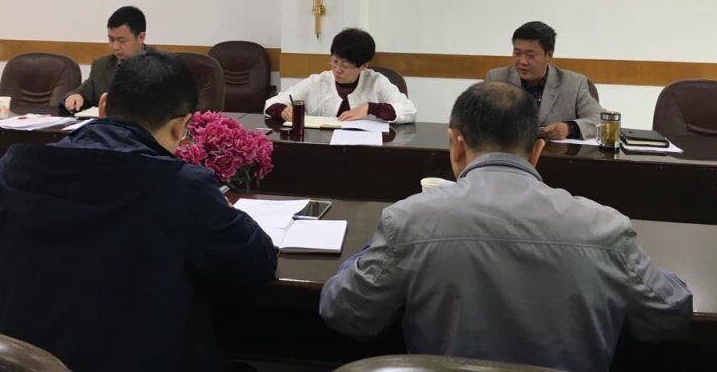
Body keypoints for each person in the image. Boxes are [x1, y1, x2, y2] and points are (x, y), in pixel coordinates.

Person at [319, 82, 692, 372]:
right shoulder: (606, 227)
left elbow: (345, 311)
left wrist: (374, 247)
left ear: (455, 144)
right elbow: (669, 314)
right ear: (537, 151)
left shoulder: (408, 220)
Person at [0, 50, 277, 372]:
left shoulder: (7, 170)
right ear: (181, 127)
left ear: (102, 106)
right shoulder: (181, 188)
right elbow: (255, 262)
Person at [264, 28, 416, 124]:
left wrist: (371, 108)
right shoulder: (317, 82)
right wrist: (282, 110)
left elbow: (409, 110)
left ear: (363, 66)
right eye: (334, 61)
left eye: (345, 66)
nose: (337, 70)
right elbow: (272, 102)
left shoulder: (377, 82)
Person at [486, 20, 602, 139]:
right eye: (517, 53)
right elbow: (478, 119)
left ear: (549, 55)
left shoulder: (574, 84)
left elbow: (600, 119)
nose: (522, 61)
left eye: (530, 55)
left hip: (554, 150)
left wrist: (569, 128)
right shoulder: (496, 79)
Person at [63, 5, 148, 112]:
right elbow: (82, 94)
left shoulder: (161, 66)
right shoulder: (101, 65)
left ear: (141, 37)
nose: (115, 47)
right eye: (111, 40)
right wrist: (74, 97)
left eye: (121, 41)